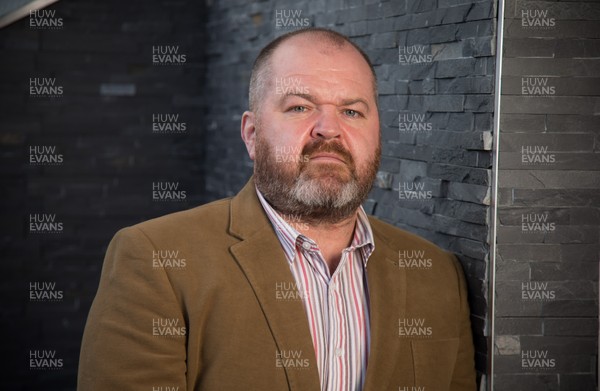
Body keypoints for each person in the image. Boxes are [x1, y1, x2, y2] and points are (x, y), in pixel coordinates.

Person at [78, 27, 476, 391]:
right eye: (300, 107)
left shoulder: (438, 276)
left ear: (378, 137)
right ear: (252, 135)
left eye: (352, 111)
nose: (329, 128)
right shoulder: (156, 259)